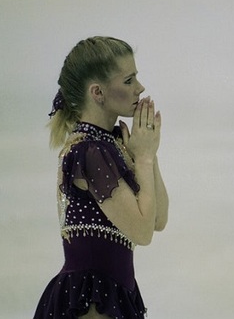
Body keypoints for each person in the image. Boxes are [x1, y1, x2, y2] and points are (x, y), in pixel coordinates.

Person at [34, 36, 169, 319]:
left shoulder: (109, 144)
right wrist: (142, 159)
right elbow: (142, 232)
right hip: (92, 300)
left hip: (115, 293)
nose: (140, 88)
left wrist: (148, 153)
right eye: (129, 80)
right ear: (98, 92)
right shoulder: (89, 152)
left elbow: (158, 220)